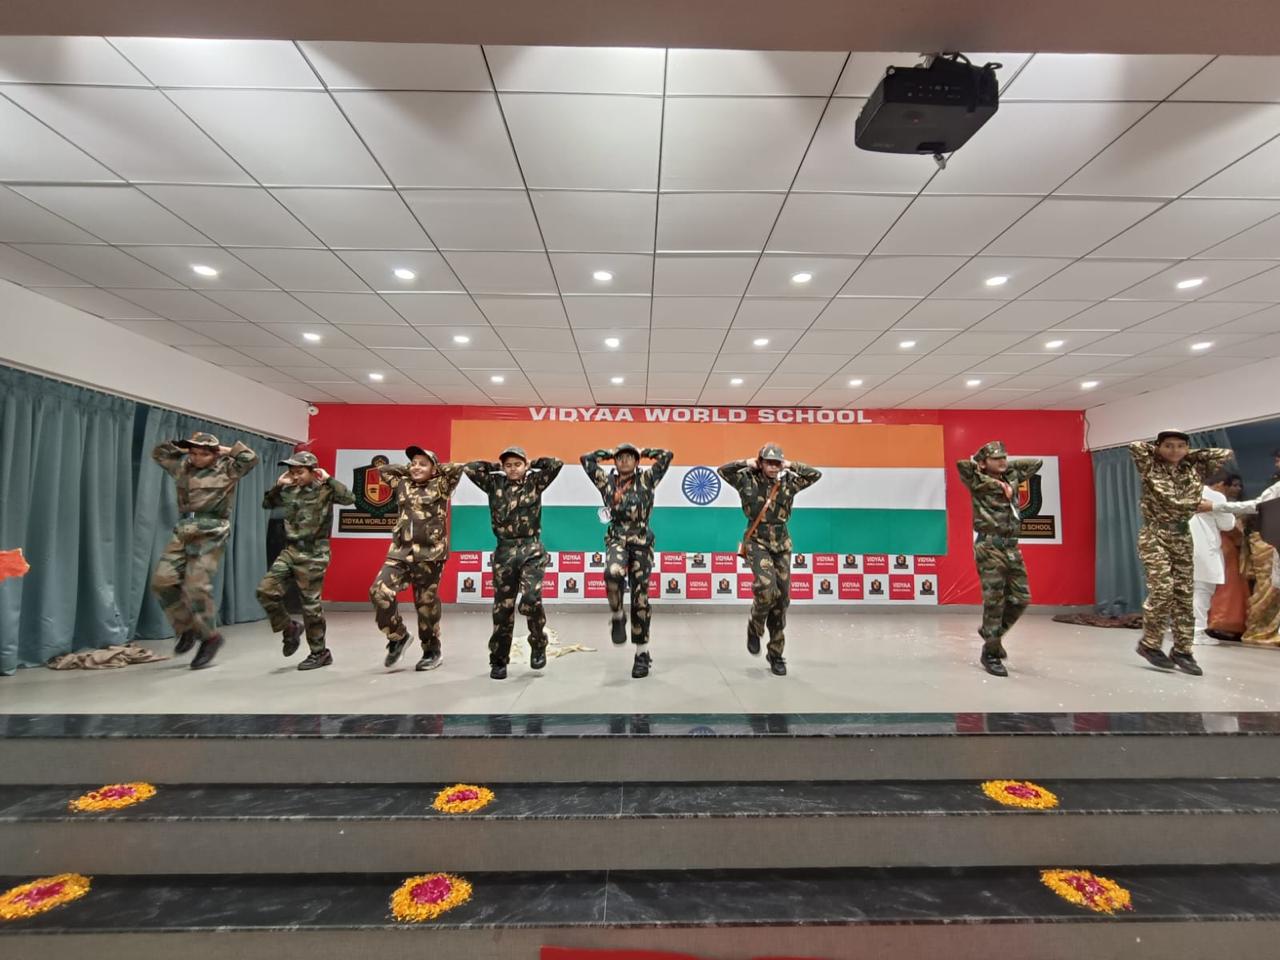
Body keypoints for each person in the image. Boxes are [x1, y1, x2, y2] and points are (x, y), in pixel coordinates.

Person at [150, 431, 259, 669]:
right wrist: (182, 448)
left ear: (214, 454)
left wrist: (225, 450)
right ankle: (186, 628)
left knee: (196, 586)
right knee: (162, 581)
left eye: (204, 454)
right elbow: (159, 454)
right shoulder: (183, 467)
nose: (197, 458)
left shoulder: (227, 469)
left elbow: (250, 458)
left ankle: (210, 638)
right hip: (185, 529)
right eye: (194, 453)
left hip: (213, 529)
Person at [1131, 431, 1232, 675]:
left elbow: (1224, 453)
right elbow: (1135, 446)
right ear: (1158, 447)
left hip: (1182, 535)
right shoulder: (1150, 467)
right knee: (1163, 589)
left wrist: (1187, 456)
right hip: (1155, 534)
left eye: (1180, 446)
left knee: (1184, 595)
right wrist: (1162, 454)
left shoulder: (1193, 469)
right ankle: (1150, 644)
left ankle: (1183, 651)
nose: (1174, 450)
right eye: (1168, 446)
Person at [719, 444, 822, 676]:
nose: (773, 467)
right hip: (757, 542)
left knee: (781, 599)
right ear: (761, 462)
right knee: (766, 588)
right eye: (769, 462)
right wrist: (746, 463)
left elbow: (815, 475)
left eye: (777, 463)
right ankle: (755, 627)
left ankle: (775, 654)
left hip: (781, 544)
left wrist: (791, 465)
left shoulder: (788, 482)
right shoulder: (746, 480)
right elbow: (723, 471)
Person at [464, 447, 563, 679]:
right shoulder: (494, 484)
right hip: (505, 551)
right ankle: (499, 660)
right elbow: (469, 468)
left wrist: (533, 463)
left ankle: (538, 643)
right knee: (502, 610)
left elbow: (556, 463)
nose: (513, 469)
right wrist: (495, 468)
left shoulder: (535, 483)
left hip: (531, 549)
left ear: (524, 465)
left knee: (531, 599)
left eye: (517, 464)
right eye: (508, 465)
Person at [581, 443, 674, 679]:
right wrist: (607, 453)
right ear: (615, 461)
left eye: (629, 457)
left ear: (636, 461)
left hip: (642, 541)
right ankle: (617, 616)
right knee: (612, 573)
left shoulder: (647, 479)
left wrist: (644, 451)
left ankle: (642, 653)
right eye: (620, 457)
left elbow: (666, 455)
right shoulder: (606, 482)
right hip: (617, 538)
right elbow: (586, 459)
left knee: (640, 599)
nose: (624, 460)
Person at [370, 446, 465, 672]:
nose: (416, 467)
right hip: (400, 552)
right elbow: (384, 471)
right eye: (413, 463)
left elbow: (456, 469)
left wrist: (434, 469)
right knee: (379, 591)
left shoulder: (442, 484)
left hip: (430, 555)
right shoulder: (403, 483)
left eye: (423, 463)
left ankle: (431, 650)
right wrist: (412, 469)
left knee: (426, 606)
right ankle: (398, 636)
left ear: (434, 468)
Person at [257, 452, 355, 670]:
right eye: (292, 472)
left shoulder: (325, 490)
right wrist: (278, 485)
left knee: (310, 605)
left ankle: (320, 653)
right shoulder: (288, 490)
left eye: (300, 472)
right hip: (291, 550)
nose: (295, 476)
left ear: (313, 471)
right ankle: (290, 627)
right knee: (265, 591)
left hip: (315, 552)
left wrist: (328, 479)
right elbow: (267, 503)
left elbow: (350, 498)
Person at [955, 441, 1042, 677]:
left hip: (1011, 547)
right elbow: (962, 465)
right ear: (983, 463)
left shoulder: (1012, 476)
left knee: (1022, 599)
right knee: (994, 601)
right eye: (996, 458)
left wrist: (1005, 474)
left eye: (1004, 457)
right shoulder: (977, 481)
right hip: (989, 546)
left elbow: (1036, 463)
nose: (1002, 461)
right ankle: (991, 653)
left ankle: (991, 634)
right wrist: (992, 480)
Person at [1191, 473, 1236, 645]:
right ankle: (1196, 632)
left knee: (1182, 590)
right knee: (1201, 590)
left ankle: (1181, 629)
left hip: (1179, 546)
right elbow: (1228, 524)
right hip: (1203, 547)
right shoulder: (1214, 496)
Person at [1206, 471, 1247, 641]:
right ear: (1222, 485)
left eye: (1239, 486)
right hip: (1224, 544)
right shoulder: (1218, 499)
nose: (1236, 489)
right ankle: (1223, 623)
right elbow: (1230, 527)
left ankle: (1205, 622)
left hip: (1208, 544)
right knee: (1228, 584)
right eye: (1232, 485)